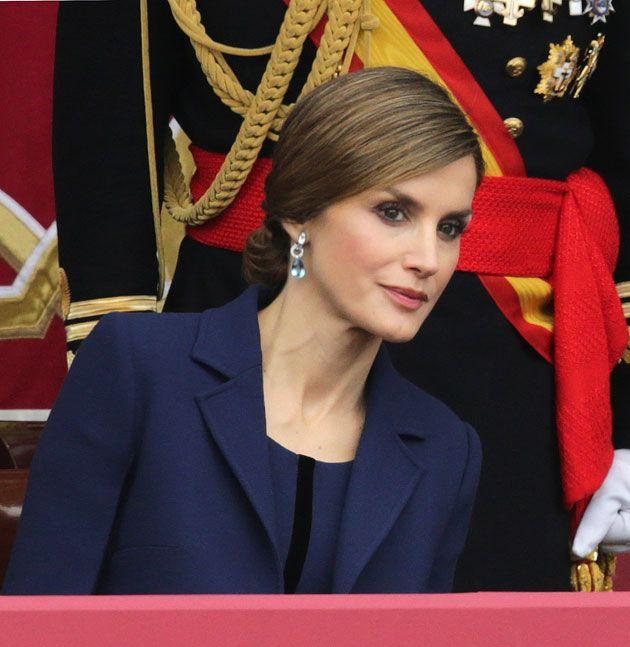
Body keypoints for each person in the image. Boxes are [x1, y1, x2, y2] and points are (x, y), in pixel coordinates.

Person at [52, 1, 630, 591]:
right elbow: (106, 136)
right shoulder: (147, 374)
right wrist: (120, 387)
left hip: (505, 369)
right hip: (246, 334)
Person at [4, 68, 483, 595]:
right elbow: (38, 630)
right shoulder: (137, 369)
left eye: (450, 228)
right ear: (300, 215)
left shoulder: (445, 448)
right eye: (392, 213)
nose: (428, 259)